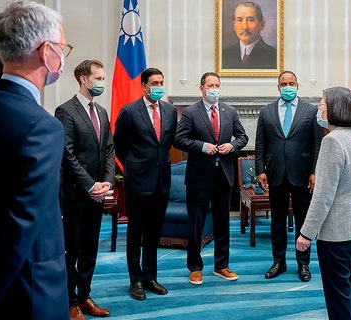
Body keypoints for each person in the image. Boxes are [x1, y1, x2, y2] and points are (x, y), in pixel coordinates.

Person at [0, 1, 70, 318]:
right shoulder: (43, 127)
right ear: (46, 51)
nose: (63, 57)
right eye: (63, 48)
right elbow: (18, 228)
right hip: (29, 291)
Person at [295, 86, 351, 320]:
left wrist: (306, 233)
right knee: (347, 286)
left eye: (322, 104)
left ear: (334, 109)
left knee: (337, 295)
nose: (318, 108)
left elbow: (323, 195)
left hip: (335, 233)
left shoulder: (332, 142)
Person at [175, 72, 249, 285]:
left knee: (222, 224)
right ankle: (195, 267)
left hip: (223, 176)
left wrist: (232, 146)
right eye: (210, 85)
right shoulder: (190, 112)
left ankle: (221, 265)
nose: (214, 88)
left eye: (217, 85)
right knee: (196, 224)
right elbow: (179, 139)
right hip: (199, 177)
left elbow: (242, 137)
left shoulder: (230, 111)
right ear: (201, 89)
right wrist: (201, 146)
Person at [55, 59, 115, 319]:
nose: (102, 82)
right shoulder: (65, 111)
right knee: (73, 249)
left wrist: (107, 182)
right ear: (84, 79)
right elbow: (66, 155)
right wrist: (90, 184)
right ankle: (69, 302)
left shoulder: (101, 112)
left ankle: (84, 296)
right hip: (75, 194)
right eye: (99, 78)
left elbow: (109, 151)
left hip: (98, 194)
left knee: (91, 248)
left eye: (103, 78)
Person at [113, 67, 177, 301]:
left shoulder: (170, 111)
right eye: (155, 83)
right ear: (144, 86)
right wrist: (134, 164)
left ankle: (150, 276)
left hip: (161, 182)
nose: (159, 86)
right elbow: (119, 145)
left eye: (162, 82)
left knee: (154, 232)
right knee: (135, 232)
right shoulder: (130, 111)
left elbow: (168, 143)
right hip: (138, 181)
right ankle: (135, 280)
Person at [255, 70, 324, 282]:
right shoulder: (266, 111)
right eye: (283, 84)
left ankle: (303, 264)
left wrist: (315, 171)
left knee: (304, 221)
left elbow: (317, 143)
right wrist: (260, 170)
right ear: (278, 87)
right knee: (277, 221)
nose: (287, 87)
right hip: (275, 174)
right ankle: (279, 262)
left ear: (297, 85)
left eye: (291, 83)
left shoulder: (311, 111)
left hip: (303, 175)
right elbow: (260, 144)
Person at [222, 1, 277, 69]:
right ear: (234, 25)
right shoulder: (224, 54)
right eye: (239, 20)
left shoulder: (274, 55)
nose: (245, 27)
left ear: (262, 24)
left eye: (250, 20)